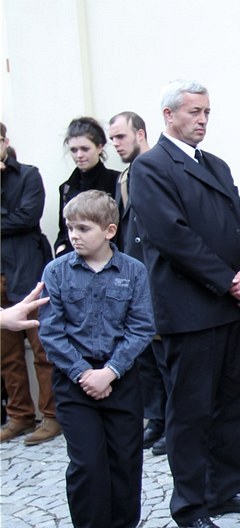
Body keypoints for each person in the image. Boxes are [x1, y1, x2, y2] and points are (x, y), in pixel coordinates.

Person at [129, 80, 240, 528]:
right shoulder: (150, 168)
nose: (203, 120)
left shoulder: (216, 164)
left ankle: (225, 489)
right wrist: (228, 279)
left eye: (207, 111)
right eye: (194, 111)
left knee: (234, 402)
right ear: (168, 115)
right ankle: (191, 507)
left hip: (231, 306)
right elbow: (172, 237)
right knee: (191, 413)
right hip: (190, 310)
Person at [38, 190, 155, 528]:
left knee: (125, 462)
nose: (74, 235)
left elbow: (141, 326)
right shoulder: (56, 271)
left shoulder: (133, 271)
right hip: (75, 384)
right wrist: (84, 374)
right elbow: (51, 331)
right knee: (87, 467)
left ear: (109, 230)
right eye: (70, 227)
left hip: (120, 379)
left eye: (83, 228)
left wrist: (110, 372)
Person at [108, 111, 168, 456]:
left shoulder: (157, 169)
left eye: (121, 137)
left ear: (140, 133)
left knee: (163, 355)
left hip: (157, 276)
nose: (115, 144)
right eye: (112, 138)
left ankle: (173, 424)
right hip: (132, 277)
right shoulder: (124, 178)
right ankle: (156, 419)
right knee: (144, 356)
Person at [1, 121, 59, 445]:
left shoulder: (28, 175)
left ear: (5, 140)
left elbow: (27, 217)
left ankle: (51, 416)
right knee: (7, 355)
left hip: (28, 272)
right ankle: (19, 416)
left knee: (43, 349)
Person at [54, 117, 120, 256]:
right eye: (73, 150)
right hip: (74, 259)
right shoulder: (66, 188)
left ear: (100, 147)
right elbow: (64, 230)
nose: (79, 155)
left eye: (85, 149)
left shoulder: (117, 181)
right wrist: (60, 247)